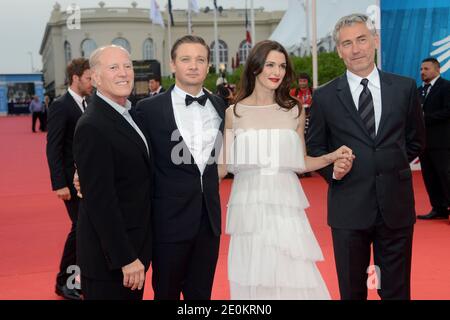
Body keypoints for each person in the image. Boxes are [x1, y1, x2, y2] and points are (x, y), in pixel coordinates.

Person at [218, 40, 354, 300]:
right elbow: (222, 167)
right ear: (255, 67)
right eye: (270, 64)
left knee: (293, 275)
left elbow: (301, 162)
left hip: (285, 207)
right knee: (254, 278)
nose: (276, 71)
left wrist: (331, 156)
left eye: (281, 66)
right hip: (248, 210)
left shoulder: (294, 110)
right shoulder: (233, 113)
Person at [307, 14, 425, 300]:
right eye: (347, 43)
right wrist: (335, 171)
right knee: (352, 291)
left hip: (395, 208)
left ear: (375, 41)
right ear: (338, 50)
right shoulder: (324, 96)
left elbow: (416, 140)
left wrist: (389, 163)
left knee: (395, 290)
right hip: (348, 208)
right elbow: (315, 148)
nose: (356, 49)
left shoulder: (405, 88)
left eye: (361, 39)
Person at [134, 35, 226, 300]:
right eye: (186, 59)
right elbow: (131, 155)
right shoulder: (148, 109)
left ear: (208, 66)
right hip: (167, 222)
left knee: (201, 296)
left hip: (208, 223)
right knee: (166, 294)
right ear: (172, 65)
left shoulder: (220, 107)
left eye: (200, 59)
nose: (193, 66)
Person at [73, 45, 153, 300]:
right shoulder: (93, 125)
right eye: (113, 67)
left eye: (127, 66)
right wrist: (126, 258)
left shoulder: (133, 113)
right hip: (111, 261)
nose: (123, 73)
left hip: (135, 249)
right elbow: (100, 202)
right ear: (95, 78)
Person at [46, 57, 92, 300]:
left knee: (84, 230)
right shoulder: (61, 106)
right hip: (69, 183)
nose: (92, 82)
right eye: (88, 78)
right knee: (79, 229)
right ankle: (63, 281)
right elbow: (53, 147)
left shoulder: (89, 102)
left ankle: (76, 279)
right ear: (75, 78)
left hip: (87, 181)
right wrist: (59, 184)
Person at [416, 57, 450, 220]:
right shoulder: (418, 91)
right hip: (424, 143)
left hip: (443, 142)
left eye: (426, 69)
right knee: (430, 177)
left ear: (438, 69)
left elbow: (448, 111)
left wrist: (424, 117)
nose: (422, 72)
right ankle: (439, 208)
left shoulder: (446, 87)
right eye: (421, 69)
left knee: (446, 175)